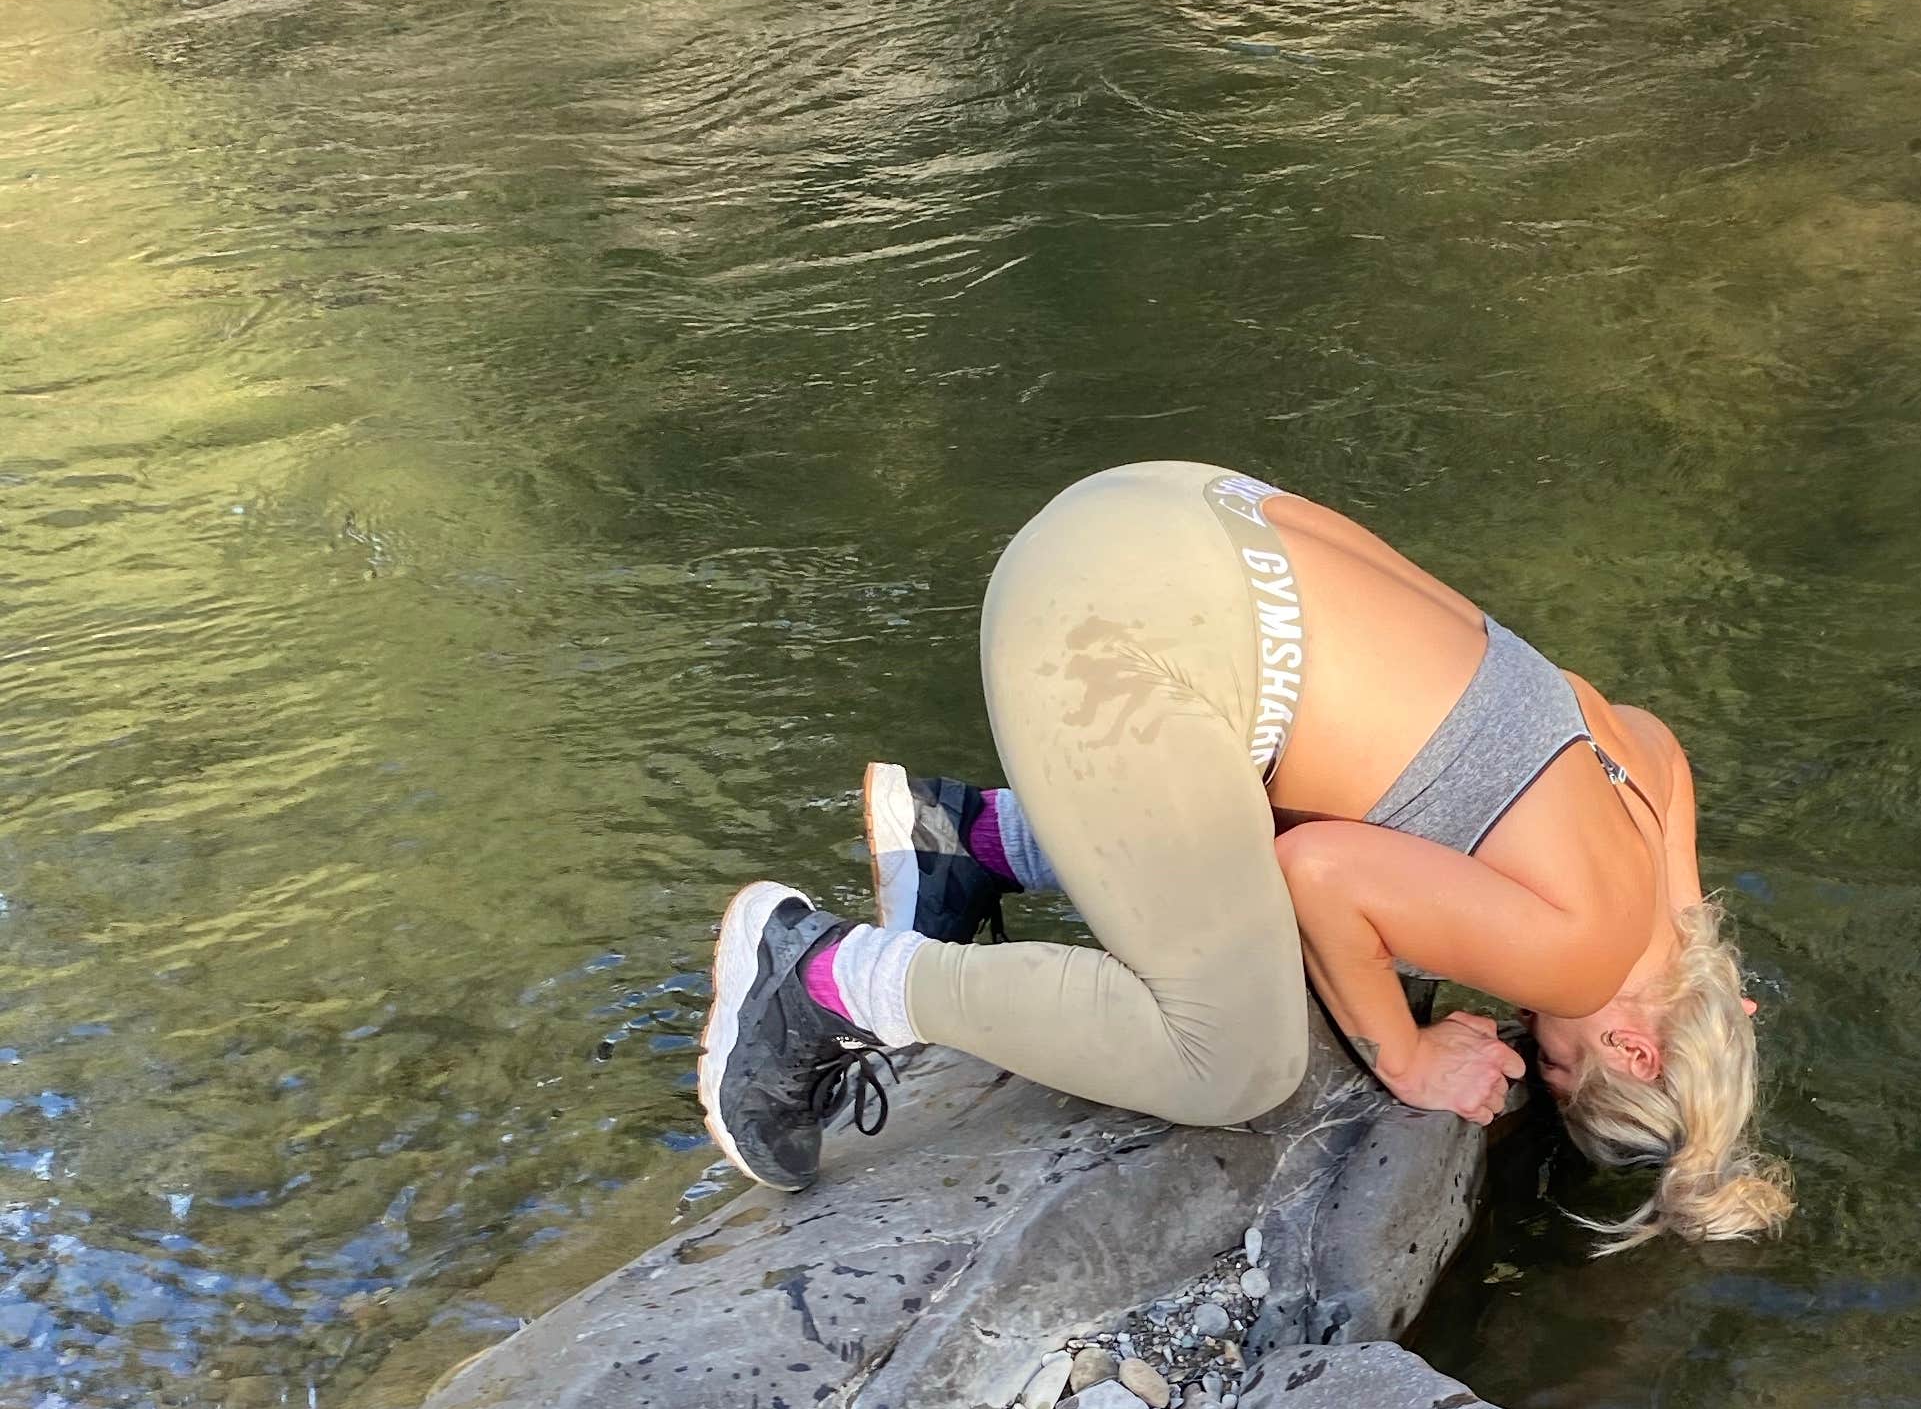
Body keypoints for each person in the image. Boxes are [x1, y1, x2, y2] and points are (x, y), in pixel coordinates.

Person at [697, 462, 1790, 1249]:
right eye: (1559, 1066)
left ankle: (973, 840)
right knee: (1237, 1060)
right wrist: (1405, 1053)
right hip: (1104, 628)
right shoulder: (1591, 960)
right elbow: (1321, 879)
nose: (1527, 1047)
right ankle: (819, 979)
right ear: (1637, 1050)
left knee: (1339, 819)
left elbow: (1367, 823)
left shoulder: (1657, 780)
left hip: (1174, 511)